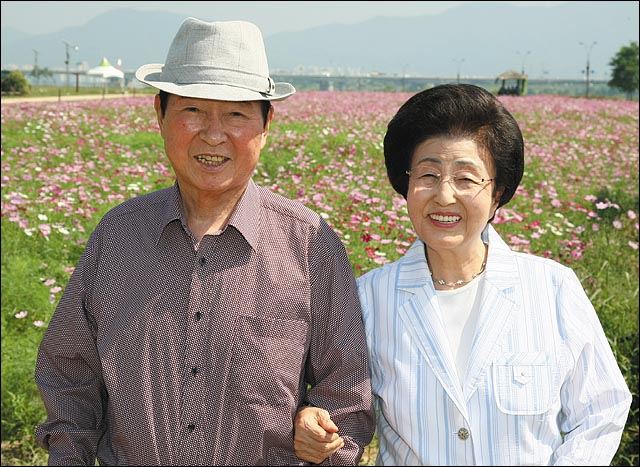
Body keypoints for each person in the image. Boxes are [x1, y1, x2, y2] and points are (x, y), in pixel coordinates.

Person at [34, 17, 374, 466]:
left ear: (267, 123)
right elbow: (68, 375)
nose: (214, 135)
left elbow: (347, 396)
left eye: (235, 115)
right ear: (160, 113)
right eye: (193, 110)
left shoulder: (310, 243)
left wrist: (325, 436)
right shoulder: (118, 236)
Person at [294, 84, 632, 465]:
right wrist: (312, 419)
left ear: (498, 193)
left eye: (466, 179)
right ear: (405, 184)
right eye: (428, 175)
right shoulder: (369, 298)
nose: (444, 195)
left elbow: (602, 410)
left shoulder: (552, 288)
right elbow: (338, 403)